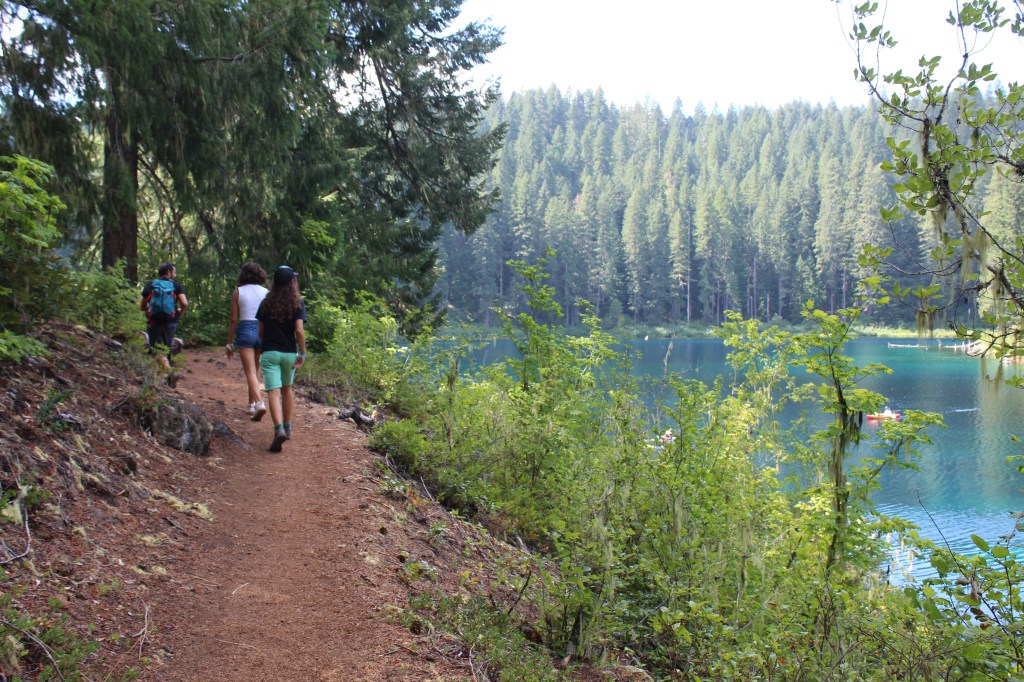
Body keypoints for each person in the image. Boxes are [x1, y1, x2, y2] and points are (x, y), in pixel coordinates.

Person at [256, 266, 307, 452]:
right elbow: (299, 330)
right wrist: (302, 354)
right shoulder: (297, 303)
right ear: (292, 282)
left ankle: (278, 429)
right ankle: (288, 426)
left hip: (270, 352)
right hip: (289, 353)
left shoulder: (266, 303)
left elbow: (260, 331)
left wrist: (269, 343)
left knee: (273, 392)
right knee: (287, 390)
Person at [225, 262, 269, 420]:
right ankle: (251, 404)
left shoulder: (238, 292)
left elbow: (233, 320)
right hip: (262, 331)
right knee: (255, 370)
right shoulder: (266, 293)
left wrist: (229, 342)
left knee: (250, 372)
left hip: (245, 331)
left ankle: (259, 403)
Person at [140, 262, 188, 376]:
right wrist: (179, 313)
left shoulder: (150, 285)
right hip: (171, 321)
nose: (175, 275)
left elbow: (142, 306)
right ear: (168, 272)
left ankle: (168, 374)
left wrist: (150, 310)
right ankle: (168, 374)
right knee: (166, 348)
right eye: (174, 272)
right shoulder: (176, 286)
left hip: (154, 321)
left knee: (157, 350)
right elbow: (184, 303)